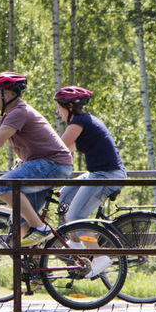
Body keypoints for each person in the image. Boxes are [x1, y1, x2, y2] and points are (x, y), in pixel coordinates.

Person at [0, 72, 73, 246]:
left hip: (53, 164)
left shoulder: (19, 112)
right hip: (48, 165)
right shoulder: (6, 116)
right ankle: (33, 267)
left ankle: (40, 227)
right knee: (21, 222)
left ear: (8, 94)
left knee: (3, 186)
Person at [54, 85, 125, 278]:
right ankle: (76, 243)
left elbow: (58, 149)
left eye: (59, 107)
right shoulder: (85, 122)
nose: (57, 111)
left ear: (69, 107)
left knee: (77, 215)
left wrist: (29, 160)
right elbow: (66, 151)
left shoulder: (79, 122)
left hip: (106, 175)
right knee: (64, 197)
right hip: (97, 173)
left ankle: (99, 256)